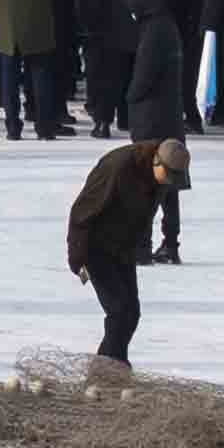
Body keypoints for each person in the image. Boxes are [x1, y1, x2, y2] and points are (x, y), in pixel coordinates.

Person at [66, 136, 179, 369]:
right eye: (169, 177)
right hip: (94, 248)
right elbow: (82, 212)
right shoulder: (118, 167)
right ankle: (110, 368)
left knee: (131, 313)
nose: (169, 184)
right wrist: (77, 258)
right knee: (119, 311)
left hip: (122, 249)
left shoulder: (160, 177)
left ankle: (109, 367)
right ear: (157, 162)